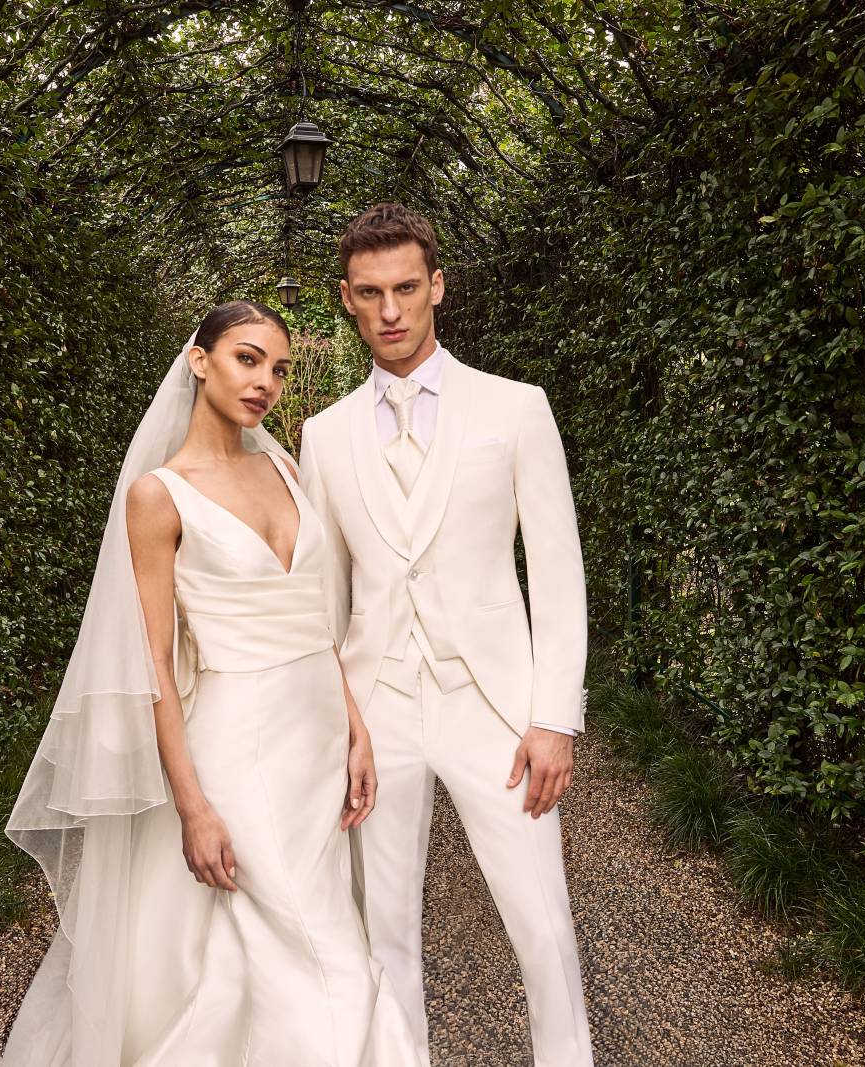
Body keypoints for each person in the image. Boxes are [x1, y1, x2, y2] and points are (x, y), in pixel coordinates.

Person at [0, 300, 421, 1067]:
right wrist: (191, 806)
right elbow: (153, 662)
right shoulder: (158, 495)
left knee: (257, 947)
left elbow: (314, 618)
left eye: (280, 368)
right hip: (241, 742)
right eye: (247, 358)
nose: (266, 381)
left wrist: (356, 726)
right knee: (324, 950)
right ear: (201, 361)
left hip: (318, 740)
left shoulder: (285, 467)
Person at [297, 203, 595, 1067]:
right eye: (369, 293)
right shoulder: (324, 436)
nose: (390, 310)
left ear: (437, 287)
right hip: (377, 712)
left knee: (542, 925)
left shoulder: (517, 408)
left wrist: (555, 718)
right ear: (346, 301)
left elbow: (560, 573)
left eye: (404, 288)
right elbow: (324, 600)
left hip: (495, 707)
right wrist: (341, 722)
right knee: (384, 931)